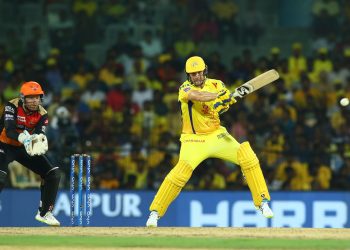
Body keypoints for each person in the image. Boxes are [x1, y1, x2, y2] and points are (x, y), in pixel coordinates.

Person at [146, 56, 273, 227]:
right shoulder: (184, 88)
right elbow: (198, 96)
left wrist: (224, 102)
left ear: (204, 71)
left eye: (199, 72)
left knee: (247, 155)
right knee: (180, 172)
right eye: (193, 74)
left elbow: (220, 106)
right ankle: (155, 212)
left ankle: (262, 202)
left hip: (216, 135)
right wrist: (217, 97)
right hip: (193, 139)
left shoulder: (217, 84)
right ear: (188, 76)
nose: (197, 76)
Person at [0, 81, 61, 226]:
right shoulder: (12, 106)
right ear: (23, 98)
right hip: (4, 144)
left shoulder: (42, 114)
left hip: (24, 147)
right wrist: (24, 137)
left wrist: (39, 141)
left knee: (53, 173)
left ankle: (45, 213)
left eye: (37, 97)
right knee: (0, 178)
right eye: (30, 97)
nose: (35, 101)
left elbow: (39, 134)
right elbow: (9, 130)